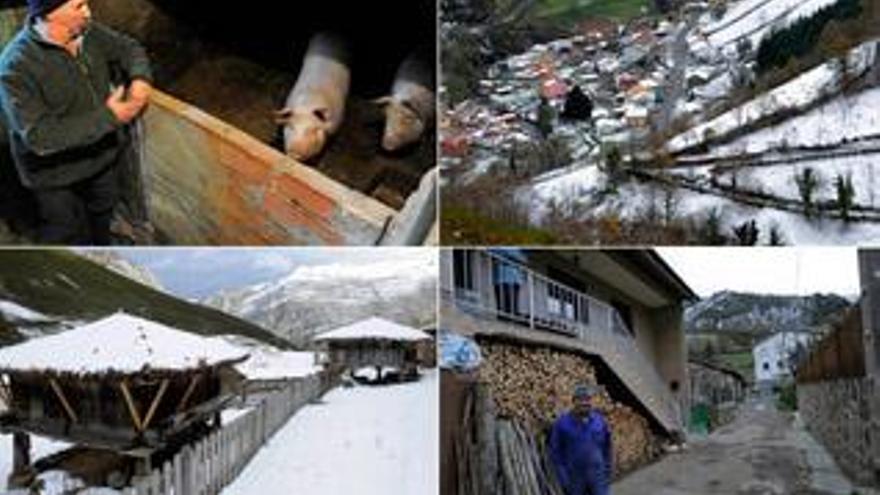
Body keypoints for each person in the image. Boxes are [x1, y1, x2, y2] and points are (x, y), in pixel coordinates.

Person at [0, 0, 153, 244]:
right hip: (54, 174)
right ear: (50, 14)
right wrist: (110, 116)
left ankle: (103, 252)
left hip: (100, 156)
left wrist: (140, 79)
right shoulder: (16, 66)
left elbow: (128, 47)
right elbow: (40, 137)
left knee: (103, 212)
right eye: (78, 5)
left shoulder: (88, 32)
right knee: (66, 228)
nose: (88, 12)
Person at [549, 384, 613, 495]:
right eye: (580, 400)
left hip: (598, 477)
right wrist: (564, 479)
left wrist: (607, 470)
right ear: (573, 402)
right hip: (575, 480)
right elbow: (556, 453)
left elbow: (607, 446)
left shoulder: (599, 421)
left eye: (587, 399)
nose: (584, 403)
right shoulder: (562, 424)